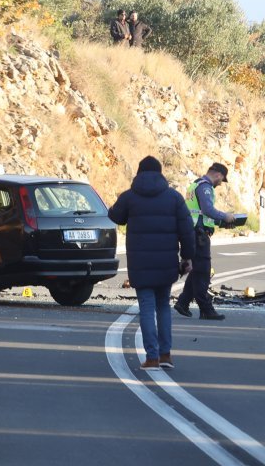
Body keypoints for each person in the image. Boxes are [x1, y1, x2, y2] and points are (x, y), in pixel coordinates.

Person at [109, 156, 195, 370]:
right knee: (163, 307)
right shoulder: (174, 198)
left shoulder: (130, 197)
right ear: (160, 173)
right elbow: (187, 230)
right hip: (166, 263)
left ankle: (152, 357)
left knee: (147, 308)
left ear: (138, 173)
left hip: (140, 263)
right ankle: (166, 355)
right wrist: (187, 257)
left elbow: (115, 216)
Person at [174, 163, 235, 321]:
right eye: (222, 179)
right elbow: (208, 209)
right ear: (218, 175)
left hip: (193, 232)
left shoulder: (194, 185)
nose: (221, 183)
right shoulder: (205, 187)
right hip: (198, 235)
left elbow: (200, 214)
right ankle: (206, 309)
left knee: (196, 271)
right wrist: (225, 216)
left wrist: (219, 223)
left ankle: (183, 303)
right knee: (203, 272)